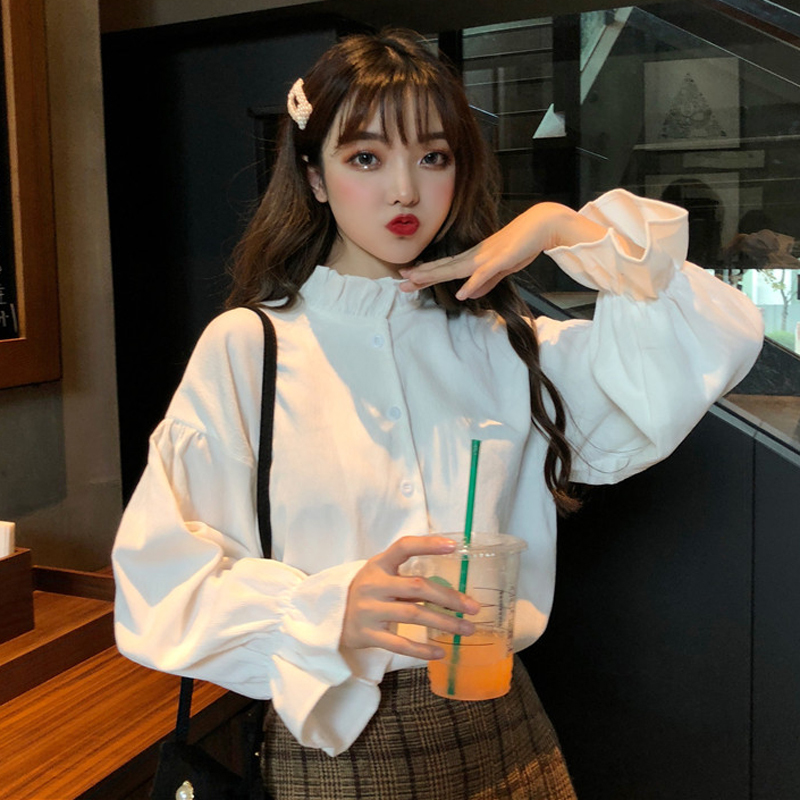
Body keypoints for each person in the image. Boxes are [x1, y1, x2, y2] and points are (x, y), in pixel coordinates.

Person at [112, 29, 763, 800]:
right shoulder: (250, 349)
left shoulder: (502, 344)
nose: (404, 191)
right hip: (342, 743)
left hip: (507, 732)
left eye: (433, 157)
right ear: (315, 176)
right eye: (365, 158)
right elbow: (157, 581)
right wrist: (327, 609)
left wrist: (564, 228)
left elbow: (715, 336)